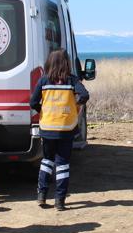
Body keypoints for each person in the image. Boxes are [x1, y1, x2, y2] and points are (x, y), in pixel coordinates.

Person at [30, 49, 89, 211]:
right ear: (66, 63)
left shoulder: (43, 81)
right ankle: (60, 200)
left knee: (47, 160)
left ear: (49, 63)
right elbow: (84, 95)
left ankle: (41, 195)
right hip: (66, 128)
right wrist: (75, 104)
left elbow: (33, 102)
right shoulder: (72, 80)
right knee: (62, 164)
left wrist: (43, 110)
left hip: (47, 127)